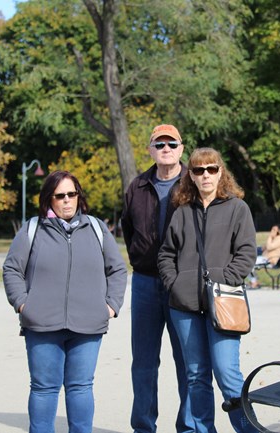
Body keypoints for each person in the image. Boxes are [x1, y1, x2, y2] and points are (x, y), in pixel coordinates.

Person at [3, 170, 127, 433]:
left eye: (72, 194)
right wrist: (24, 305)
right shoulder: (32, 229)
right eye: (60, 196)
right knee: (44, 388)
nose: (67, 200)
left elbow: (117, 269)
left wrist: (111, 306)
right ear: (49, 199)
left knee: (81, 387)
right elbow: (12, 269)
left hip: (88, 325)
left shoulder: (96, 228)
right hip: (42, 324)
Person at [158, 147, 258, 433]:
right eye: (199, 170)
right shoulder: (181, 211)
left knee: (227, 373)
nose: (205, 175)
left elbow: (246, 252)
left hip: (225, 301)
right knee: (196, 376)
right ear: (190, 174)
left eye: (211, 169)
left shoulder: (237, 208)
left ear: (220, 172)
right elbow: (166, 253)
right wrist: (174, 284)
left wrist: (225, 279)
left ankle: (247, 429)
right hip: (184, 306)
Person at [121, 124, 194, 433]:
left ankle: (189, 426)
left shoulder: (195, 182)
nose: (166, 149)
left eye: (171, 144)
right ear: (150, 149)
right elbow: (128, 228)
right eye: (159, 144)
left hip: (183, 283)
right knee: (144, 363)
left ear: (181, 148)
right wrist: (141, 257)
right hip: (145, 283)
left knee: (189, 362)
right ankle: (143, 426)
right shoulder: (137, 186)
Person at [248, 224, 280, 288]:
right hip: (267, 259)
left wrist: (270, 237)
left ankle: (254, 281)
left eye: (274, 230)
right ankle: (254, 281)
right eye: (272, 229)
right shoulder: (276, 239)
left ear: (278, 231)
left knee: (249, 263)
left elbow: (269, 247)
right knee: (248, 262)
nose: (272, 231)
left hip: (271, 261)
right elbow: (265, 247)